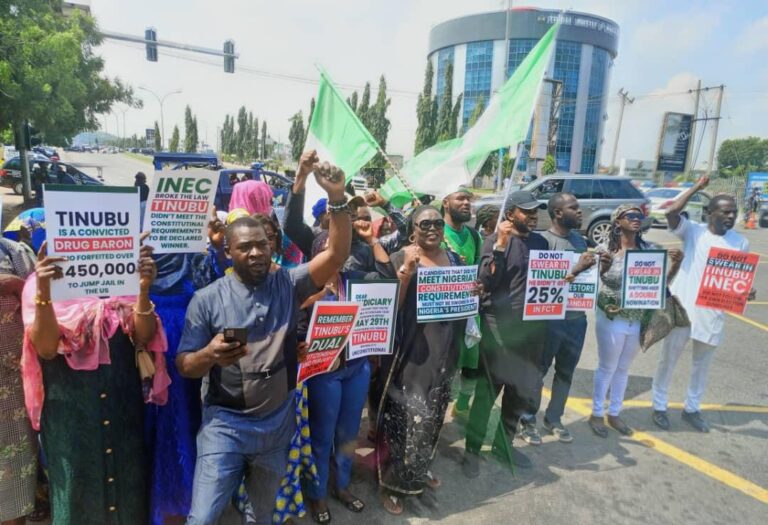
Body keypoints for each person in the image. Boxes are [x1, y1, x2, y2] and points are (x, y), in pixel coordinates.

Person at [175, 161, 351, 525]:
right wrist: (209, 354)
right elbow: (185, 365)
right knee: (203, 517)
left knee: (262, 514)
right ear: (228, 252)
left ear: (272, 246)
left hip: (276, 426)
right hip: (225, 426)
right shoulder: (206, 300)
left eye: (262, 245)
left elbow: (335, 255)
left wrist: (336, 197)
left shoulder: (289, 284)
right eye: (244, 247)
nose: (255, 252)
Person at [21, 240, 170, 525]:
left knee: (128, 498)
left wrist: (142, 289)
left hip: (123, 413)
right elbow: (47, 348)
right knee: (78, 498)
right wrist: (44, 290)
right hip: (71, 422)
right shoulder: (40, 284)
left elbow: (142, 338)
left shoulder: (121, 277)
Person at [376, 205, 478, 515]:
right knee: (406, 417)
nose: (432, 228)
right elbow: (389, 308)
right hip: (412, 353)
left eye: (436, 223)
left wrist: (472, 291)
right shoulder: (401, 257)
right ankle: (393, 483)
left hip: (445, 352)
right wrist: (405, 273)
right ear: (412, 232)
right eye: (424, 224)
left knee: (434, 415)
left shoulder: (456, 260)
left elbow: (462, 305)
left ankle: (419, 469)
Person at [651, 178, 752, 432]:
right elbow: (671, 212)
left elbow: (735, 280)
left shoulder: (740, 243)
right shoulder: (693, 231)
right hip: (683, 308)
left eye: (734, 212)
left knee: (701, 365)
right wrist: (696, 187)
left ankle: (692, 408)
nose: (731, 216)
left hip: (712, 312)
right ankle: (659, 405)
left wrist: (744, 291)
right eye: (725, 211)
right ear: (710, 213)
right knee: (668, 359)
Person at [462, 191, 548, 477]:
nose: (534, 215)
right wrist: (499, 246)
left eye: (536, 210)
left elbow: (551, 282)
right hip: (499, 330)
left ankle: (503, 444)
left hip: (531, 333)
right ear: (510, 214)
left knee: (517, 394)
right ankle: (472, 451)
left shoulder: (541, 242)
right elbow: (484, 283)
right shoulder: (493, 242)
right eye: (527, 211)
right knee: (488, 394)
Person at [589, 205, 683, 438]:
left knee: (623, 369)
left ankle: (615, 413)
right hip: (611, 318)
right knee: (607, 367)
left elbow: (661, 286)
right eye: (630, 216)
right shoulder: (605, 251)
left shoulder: (649, 250)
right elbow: (594, 281)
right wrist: (603, 269)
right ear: (617, 222)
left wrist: (676, 265)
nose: (636, 219)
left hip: (637, 319)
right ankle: (596, 413)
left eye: (639, 216)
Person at [518, 193, 604, 444]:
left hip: (576, 319)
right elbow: (537, 284)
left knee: (566, 371)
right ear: (557, 213)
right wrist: (576, 270)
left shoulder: (579, 240)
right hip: (547, 320)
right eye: (573, 208)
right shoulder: (540, 241)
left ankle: (554, 418)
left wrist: (602, 268)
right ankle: (527, 419)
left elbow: (587, 279)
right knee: (538, 371)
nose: (579, 212)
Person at [301, 238, 374, 524]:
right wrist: (316, 297)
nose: (336, 255)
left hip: (357, 368)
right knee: (321, 435)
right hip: (323, 374)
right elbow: (291, 321)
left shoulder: (357, 280)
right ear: (316, 255)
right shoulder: (303, 285)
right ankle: (317, 492)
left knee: (348, 433)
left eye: (340, 249)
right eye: (328, 249)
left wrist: (372, 240)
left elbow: (387, 282)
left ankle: (341, 485)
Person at [0, 238, 37, 525]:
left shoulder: (15, 253)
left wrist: (21, 287)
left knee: (13, 494)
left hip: (12, 395)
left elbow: (46, 308)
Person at [439, 188, 483, 422]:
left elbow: (479, 269)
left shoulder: (475, 236)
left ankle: (463, 404)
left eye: (469, 199)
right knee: (443, 366)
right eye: (461, 198)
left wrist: (479, 284)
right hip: (442, 314)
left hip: (467, 311)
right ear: (446, 203)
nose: (467, 203)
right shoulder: (436, 232)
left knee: (471, 361)